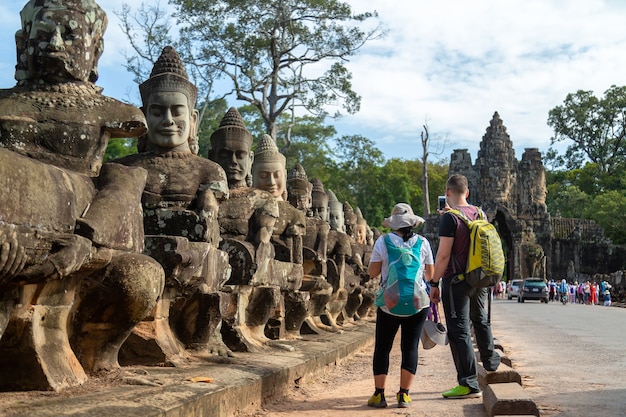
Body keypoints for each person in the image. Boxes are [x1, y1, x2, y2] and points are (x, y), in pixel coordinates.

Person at [429, 174, 500, 399]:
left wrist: (433, 283)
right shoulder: (481, 213)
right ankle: (491, 362)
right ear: (467, 192)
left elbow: (442, 256)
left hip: (456, 280)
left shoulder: (450, 219)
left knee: (458, 329)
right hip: (479, 277)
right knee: (480, 319)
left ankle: (468, 383)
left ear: (447, 193)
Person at [367, 203, 434, 408]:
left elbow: (372, 273)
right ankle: (404, 395)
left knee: (383, 348)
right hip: (417, 304)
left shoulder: (383, 241)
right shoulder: (423, 242)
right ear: (412, 223)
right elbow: (430, 275)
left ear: (393, 223)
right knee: (410, 347)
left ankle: (379, 395)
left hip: (389, 304)